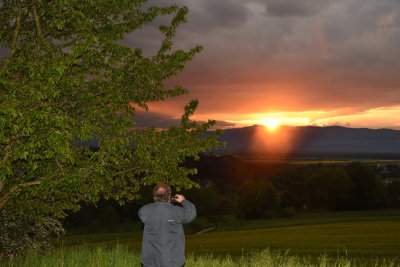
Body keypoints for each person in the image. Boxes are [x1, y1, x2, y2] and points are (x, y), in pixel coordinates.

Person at [138, 184, 196, 267]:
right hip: (173, 262)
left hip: (149, 262)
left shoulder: (144, 211)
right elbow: (192, 213)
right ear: (169, 196)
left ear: (154, 196)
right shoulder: (177, 212)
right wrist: (183, 201)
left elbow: (143, 214)